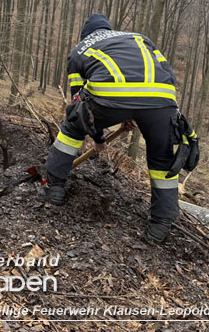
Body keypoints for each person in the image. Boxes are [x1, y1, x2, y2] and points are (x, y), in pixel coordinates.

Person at [46, 14, 198, 244]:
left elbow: (79, 108)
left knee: (73, 127)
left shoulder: (79, 50)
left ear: (85, 35)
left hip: (110, 94)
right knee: (162, 157)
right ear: (109, 29)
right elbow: (166, 71)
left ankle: (54, 187)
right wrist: (137, 111)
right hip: (162, 97)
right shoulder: (139, 38)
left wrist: (98, 138)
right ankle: (161, 223)